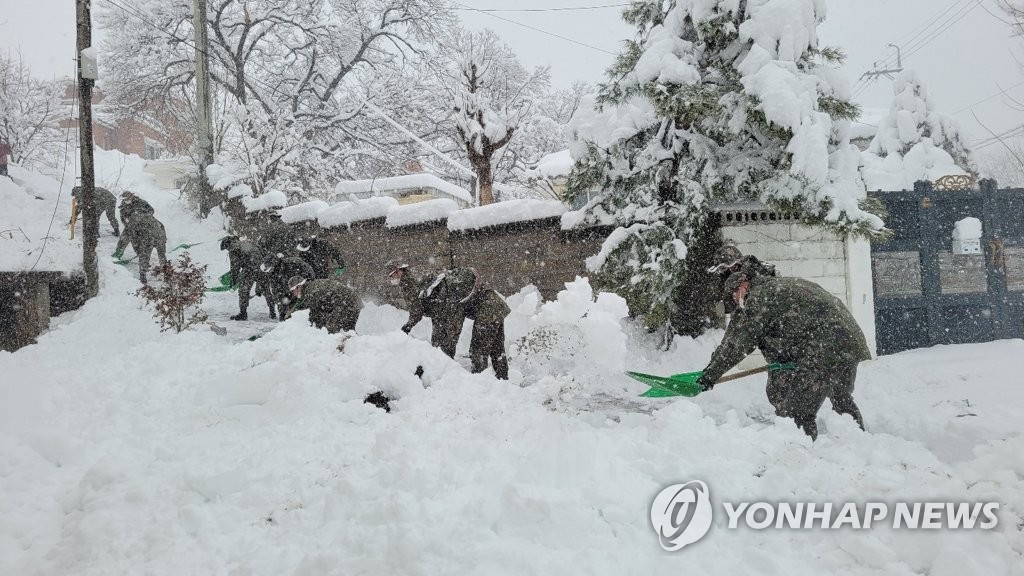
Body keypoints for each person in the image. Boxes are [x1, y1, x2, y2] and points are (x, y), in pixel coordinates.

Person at [695, 258, 869, 440]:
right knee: (841, 399)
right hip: (849, 340)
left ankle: (799, 457)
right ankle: (858, 443)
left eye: (734, 295)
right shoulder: (777, 286)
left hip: (823, 349)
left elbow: (739, 345)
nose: (736, 301)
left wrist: (710, 376)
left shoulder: (759, 298)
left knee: (797, 413)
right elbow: (734, 338)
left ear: (742, 285)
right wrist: (710, 370)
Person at [386, 262, 474, 359]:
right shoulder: (410, 278)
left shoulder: (408, 284)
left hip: (445, 308)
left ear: (398, 272)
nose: (391, 279)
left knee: (442, 342)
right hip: (442, 308)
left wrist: (407, 326)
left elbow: (417, 312)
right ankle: (444, 364)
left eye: (391, 275)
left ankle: (446, 367)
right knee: (441, 342)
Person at [220, 235, 276, 321]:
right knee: (266, 289)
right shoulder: (249, 242)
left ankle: (243, 313)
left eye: (226, 248)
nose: (228, 250)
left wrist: (234, 281)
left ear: (228, 245)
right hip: (262, 267)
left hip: (249, 269)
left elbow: (235, 267)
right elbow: (263, 253)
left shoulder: (233, 248)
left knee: (243, 291)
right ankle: (272, 312)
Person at [463, 285, 511, 379]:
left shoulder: (448, 298)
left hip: (487, 308)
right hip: (495, 304)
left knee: (478, 349)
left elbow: (452, 333)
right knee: (496, 347)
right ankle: (502, 379)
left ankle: (479, 381)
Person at [287, 275, 362, 333]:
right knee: (348, 330)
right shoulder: (311, 286)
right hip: (353, 301)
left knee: (331, 330)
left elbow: (314, 314)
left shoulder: (310, 292)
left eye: (293, 291)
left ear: (298, 287)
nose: (294, 294)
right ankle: (354, 347)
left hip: (345, 302)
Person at [113, 212, 168, 284]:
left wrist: (119, 251)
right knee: (161, 255)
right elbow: (161, 226)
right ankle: (167, 272)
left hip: (151, 236)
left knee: (144, 255)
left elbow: (124, 240)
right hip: (160, 235)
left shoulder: (131, 224)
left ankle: (143, 276)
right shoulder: (146, 217)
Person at [261, 253, 314, 319]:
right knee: (284, 313)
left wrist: (305, 284)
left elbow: (310, 273)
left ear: (274, 264)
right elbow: (276, 291)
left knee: (301, 309)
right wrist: (281, 308)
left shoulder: (293, 263)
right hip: (287, 291)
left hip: (301, 288)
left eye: (270, 268)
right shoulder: (272, 274)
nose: (270, 271)